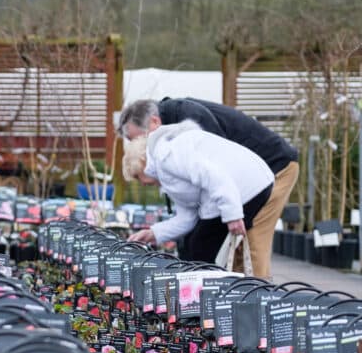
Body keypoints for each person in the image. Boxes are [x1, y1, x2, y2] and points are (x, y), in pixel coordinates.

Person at [118, 97, 299, 278]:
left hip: (271, 169)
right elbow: (187, 215)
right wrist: (154, 233)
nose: (138, 144)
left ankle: (256, 296)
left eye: (138, 138)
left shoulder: (169, 151)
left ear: (154, 122)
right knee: (202, 246)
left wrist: (233, 215)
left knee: (251, 242)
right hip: (240, 183)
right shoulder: (166, 167)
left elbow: (216, 174)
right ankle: (230, 294)